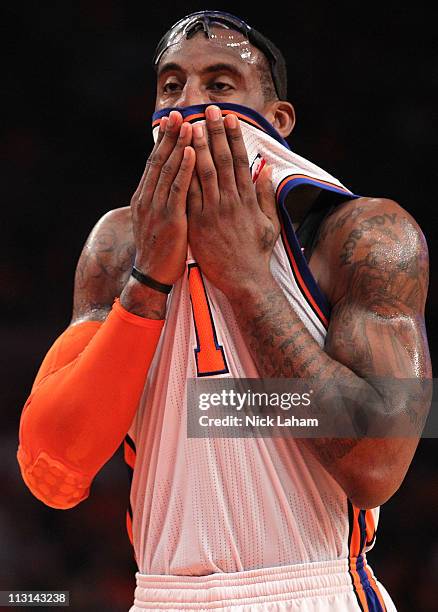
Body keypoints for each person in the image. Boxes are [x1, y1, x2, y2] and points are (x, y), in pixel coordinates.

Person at [17, 10, 431, 612]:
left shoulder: (365, 233)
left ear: (279, 118)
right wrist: (149, 282)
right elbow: (54, 470)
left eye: (219, 85)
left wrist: (247, 282)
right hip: (161, 595)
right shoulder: (117, 246)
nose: (188, 105)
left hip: (312, 589)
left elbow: (377, 467)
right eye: (170, 85)